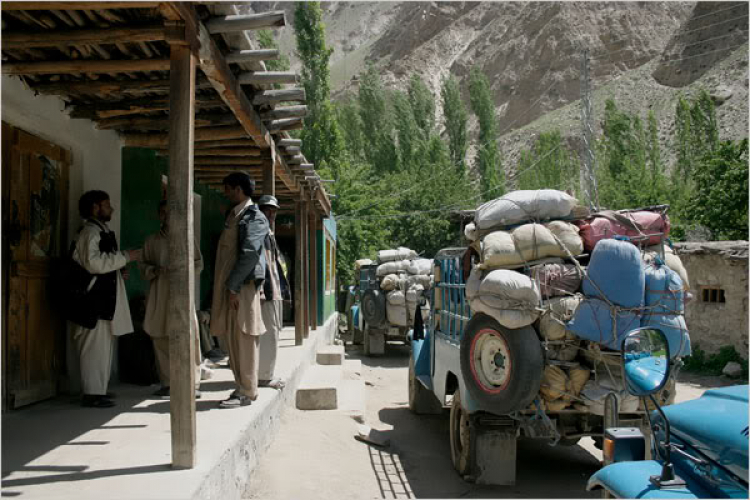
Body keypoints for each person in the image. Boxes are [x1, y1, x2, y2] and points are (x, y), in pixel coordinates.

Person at [71, 190, 141, 408]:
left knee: (102, 348)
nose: (111, 209)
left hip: (103, 301)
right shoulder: (90, 233)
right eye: (106, 204)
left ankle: (98, 390)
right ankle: (92, 393)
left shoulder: (101, 231)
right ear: (95, 208)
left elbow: (103, 264)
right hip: (93, 301)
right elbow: (93, 263)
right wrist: (125, 257)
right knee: (94, 348)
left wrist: (119, 271)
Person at [210, 172, 269, 408]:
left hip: (241, 289)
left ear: (238, 190)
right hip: (231, 289)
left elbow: (249, 255)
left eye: (228, 189)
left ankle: (247, 391)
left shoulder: (254, 217)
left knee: (244, 337)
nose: (225, 193)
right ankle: (241, 387)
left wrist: (233, 287)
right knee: (233, 338)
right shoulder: (236, 215)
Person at [140, 200, 204, 400]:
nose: (166, 217)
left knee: (188, 336)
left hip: (182, 295)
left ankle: (192, 383)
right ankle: (167, 383)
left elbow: (198, 264)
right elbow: (143, 266)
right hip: (160, 294)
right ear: (159, 216)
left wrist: (183, 272)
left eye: (170, 213)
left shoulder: (187, 238)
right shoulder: (152, 241)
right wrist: (155, 270)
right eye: (162, 213)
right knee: (160, 336)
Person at [256, 195, 290, 390]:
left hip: (274, 291)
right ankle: (264, 376)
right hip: (266, 292)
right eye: (267, 210)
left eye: (273, 211)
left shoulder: (268, 233)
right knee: (268, 334)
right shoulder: (259, 232)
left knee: (273, 332)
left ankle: (265, 373)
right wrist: (261, 288)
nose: (271, 214)